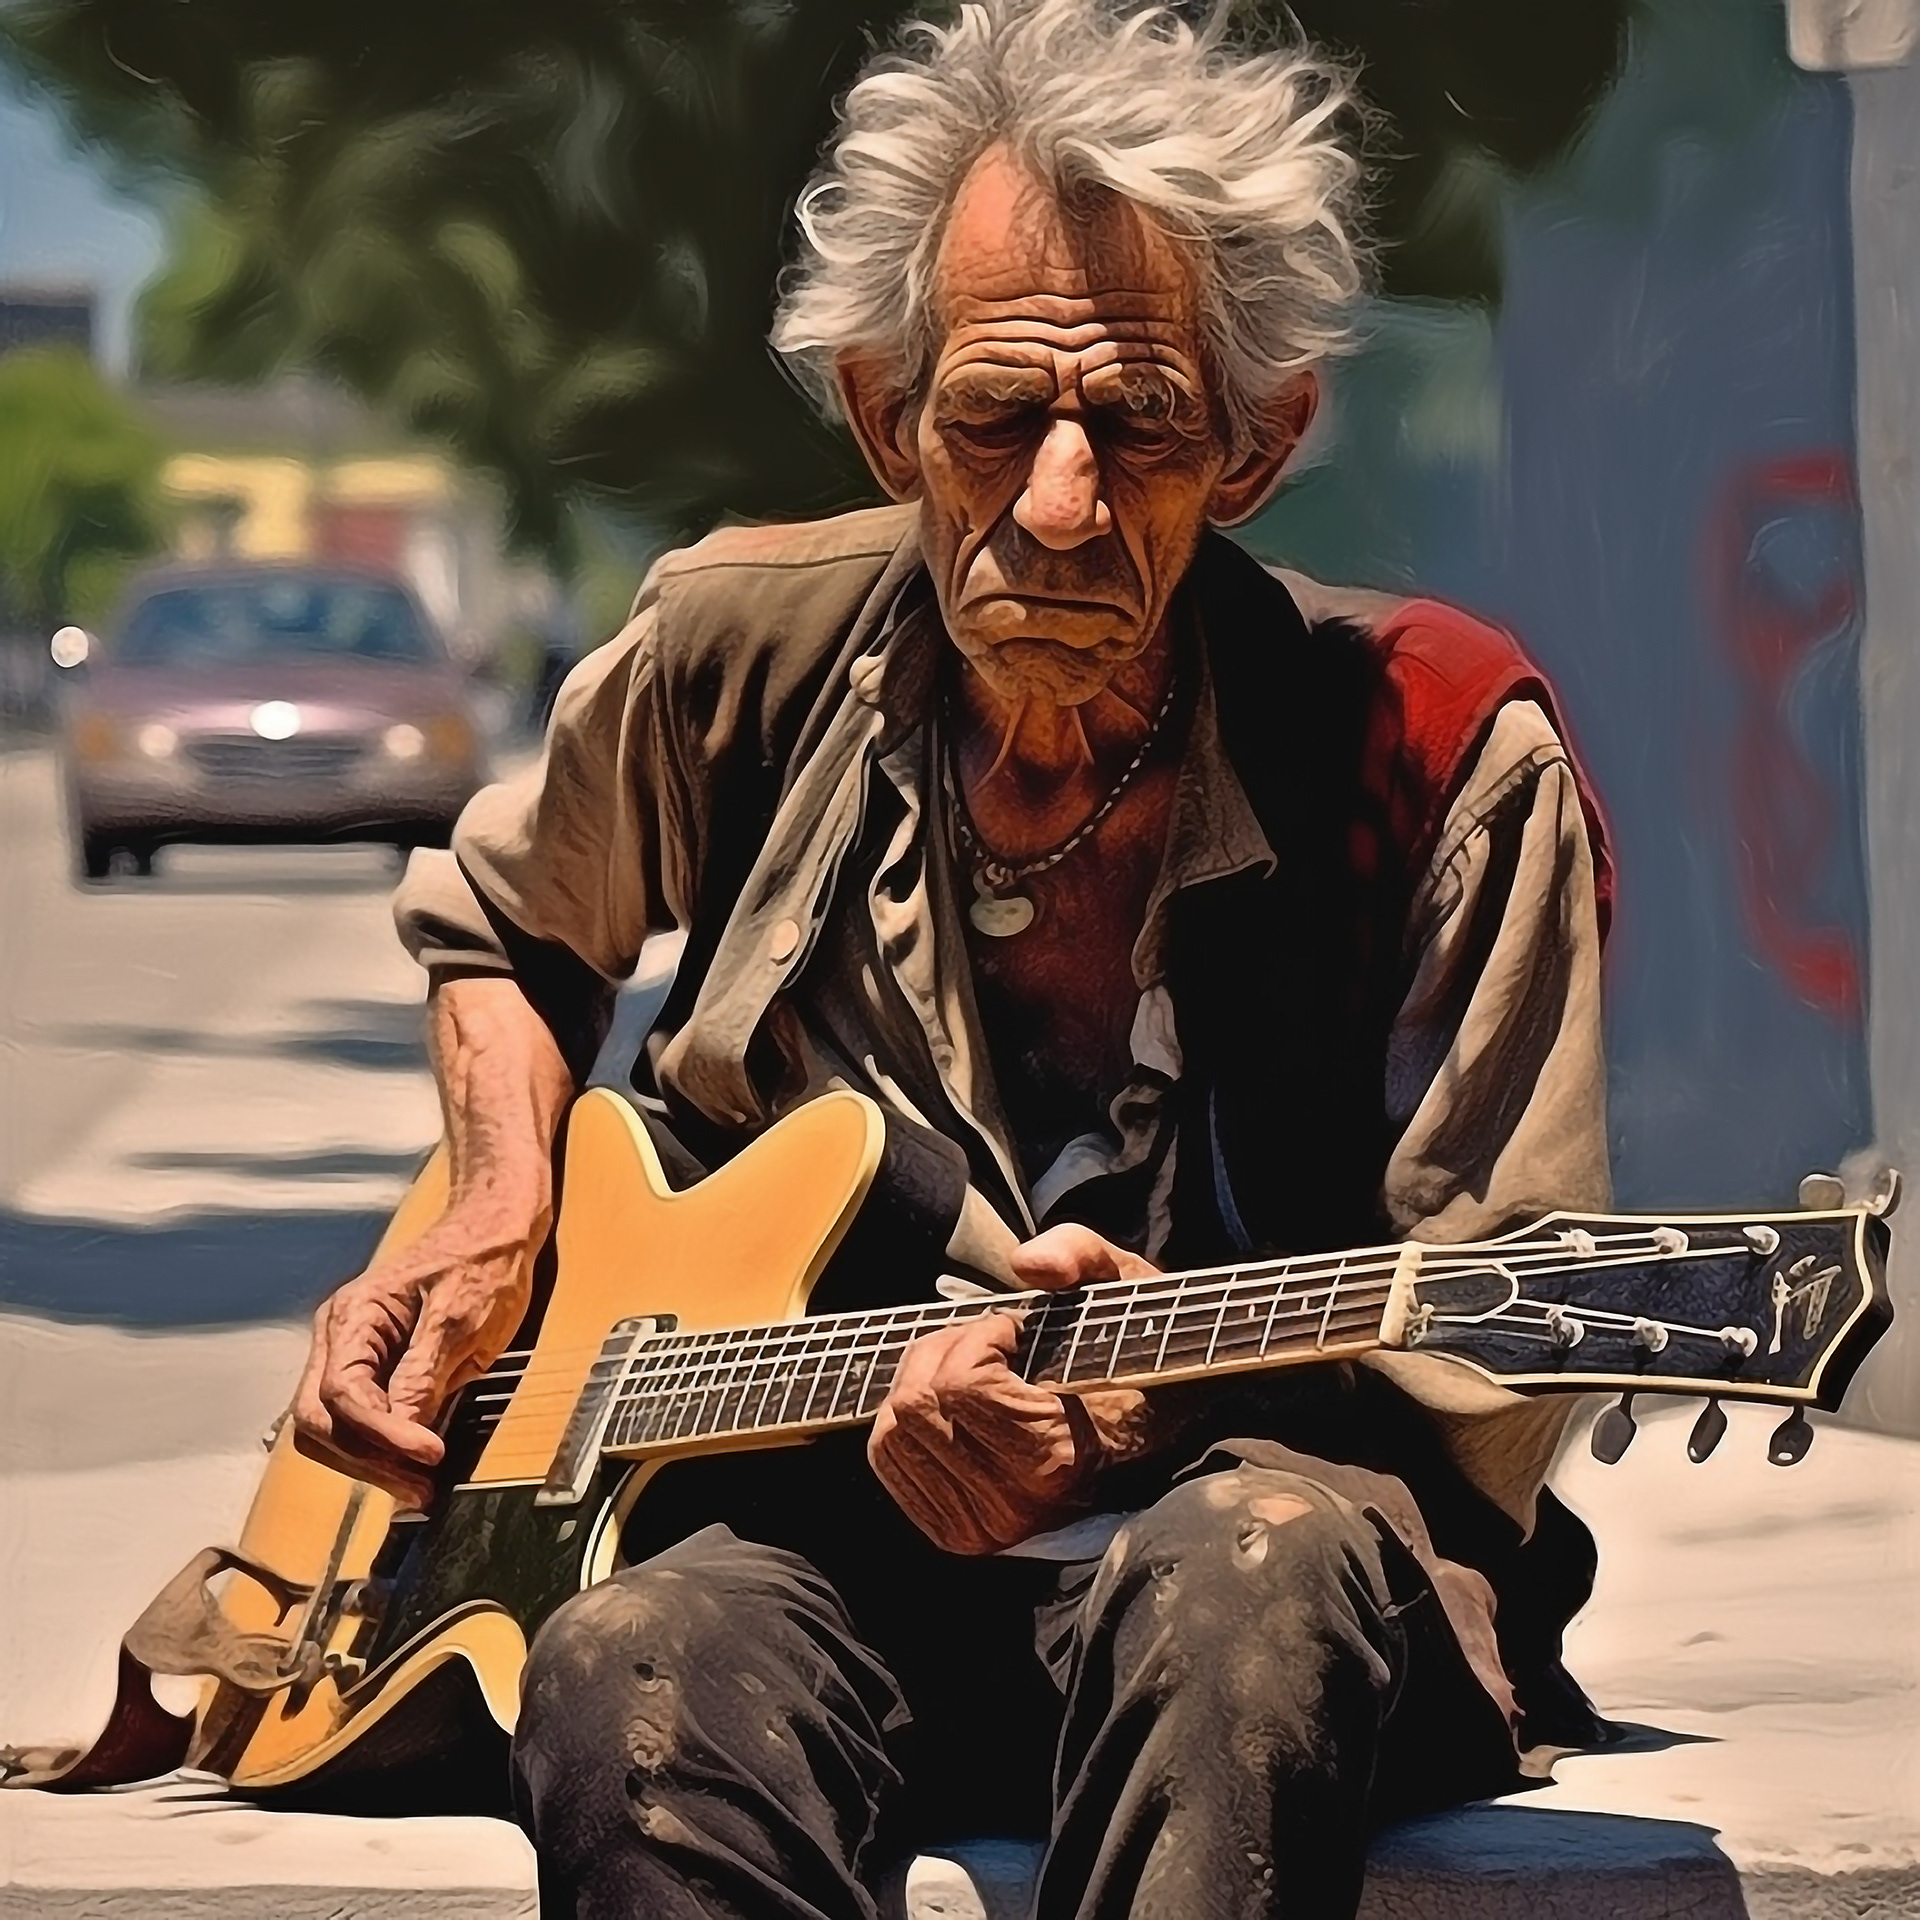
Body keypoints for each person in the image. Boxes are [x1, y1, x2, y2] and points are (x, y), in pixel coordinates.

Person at [292, 3, 1616, 1915]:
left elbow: (1490, 1357)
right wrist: (493, 1208)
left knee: (1243, 1578)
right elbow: (504, 921)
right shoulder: (733, 657)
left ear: (1258, 445)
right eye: (997, 418)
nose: (1060, 507)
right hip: (820, 1546)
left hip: (1255, 1559)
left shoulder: (1440, 762)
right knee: (631, 1664)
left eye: (1140, 424)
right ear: (883, 411)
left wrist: (1144, 1411)